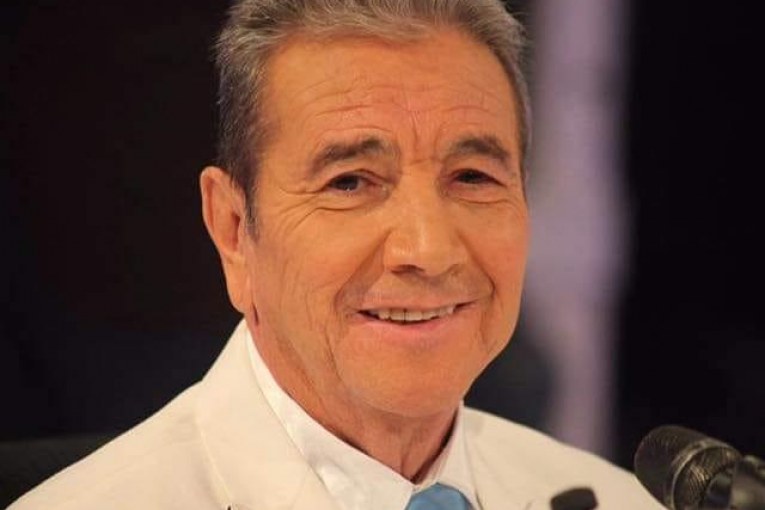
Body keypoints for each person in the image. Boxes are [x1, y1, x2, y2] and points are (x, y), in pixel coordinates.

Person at [9, 1, 663, 509]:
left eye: (472, 177)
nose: (428, 250)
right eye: (350, 183)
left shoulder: (614, 499)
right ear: (233, 229)